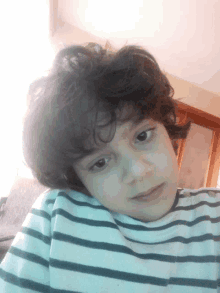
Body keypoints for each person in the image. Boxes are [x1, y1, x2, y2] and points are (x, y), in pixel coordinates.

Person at [0, 41, 219, 292]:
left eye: (143, 136)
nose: (138, 171)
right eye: (100, 162)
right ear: (78, 179)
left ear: (167, 131)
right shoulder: (57, 213)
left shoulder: (215, 215)